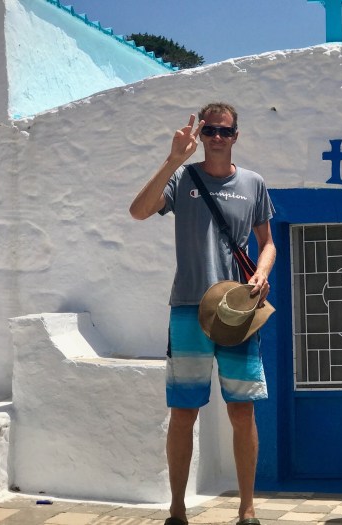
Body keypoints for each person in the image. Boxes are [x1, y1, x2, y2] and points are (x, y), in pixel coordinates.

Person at [129, 102, 276, 525]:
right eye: (209, 130)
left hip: (238, 311)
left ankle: (247, 509)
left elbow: (267, 242)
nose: (216, 137)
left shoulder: (253, 183)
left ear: (236, 136)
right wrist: (173, 159)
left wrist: (262, 272)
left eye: (224, 131)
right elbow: (138, 211)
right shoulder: (183, 177)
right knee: (184, 411)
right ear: (201, 135)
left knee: (242, 410)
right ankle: (177, 509)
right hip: (189, 309)